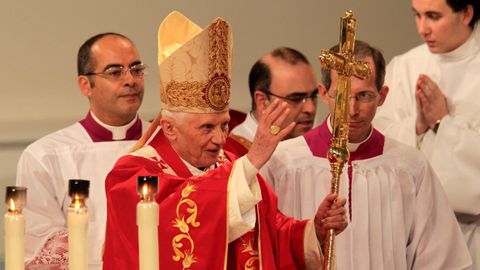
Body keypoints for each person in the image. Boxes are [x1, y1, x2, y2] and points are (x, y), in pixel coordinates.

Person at [103, 11, 347, 270]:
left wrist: (314, 232)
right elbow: (175, 224)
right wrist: (253, 160)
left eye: (224, 124)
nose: (220, 139)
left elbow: (273, 234)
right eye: (207, 127)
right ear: (170, 128)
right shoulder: (133, 175)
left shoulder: (231, 164)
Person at [261, 40, 472, 269]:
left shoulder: (409, 166)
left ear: (382, 96)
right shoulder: (283, 163)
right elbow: (262, 247)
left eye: (364, 96)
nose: (351, 110)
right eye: (341, 95)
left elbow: (439, 258)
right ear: (324, 94)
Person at [16, 32, 149, 269]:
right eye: (115, 72)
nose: (130, 80)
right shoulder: (45, 156)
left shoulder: (168, 144)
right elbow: (39, 249)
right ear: (85, 85)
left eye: (136, 69)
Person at [373, 0, 480, 267]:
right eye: (417, 16)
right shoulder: (404, 67)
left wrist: (443, 122)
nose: (422, 28)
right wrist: (417, 126)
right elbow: (377, 139)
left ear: (466, 13)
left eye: (433, 16)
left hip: (472, 233)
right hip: (409, 231)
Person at [226, 47, 319, 154]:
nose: (310, 109)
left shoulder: (315, 148)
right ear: (263, 101)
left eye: (313, 96)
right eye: (296, 99)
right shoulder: (234, 157)